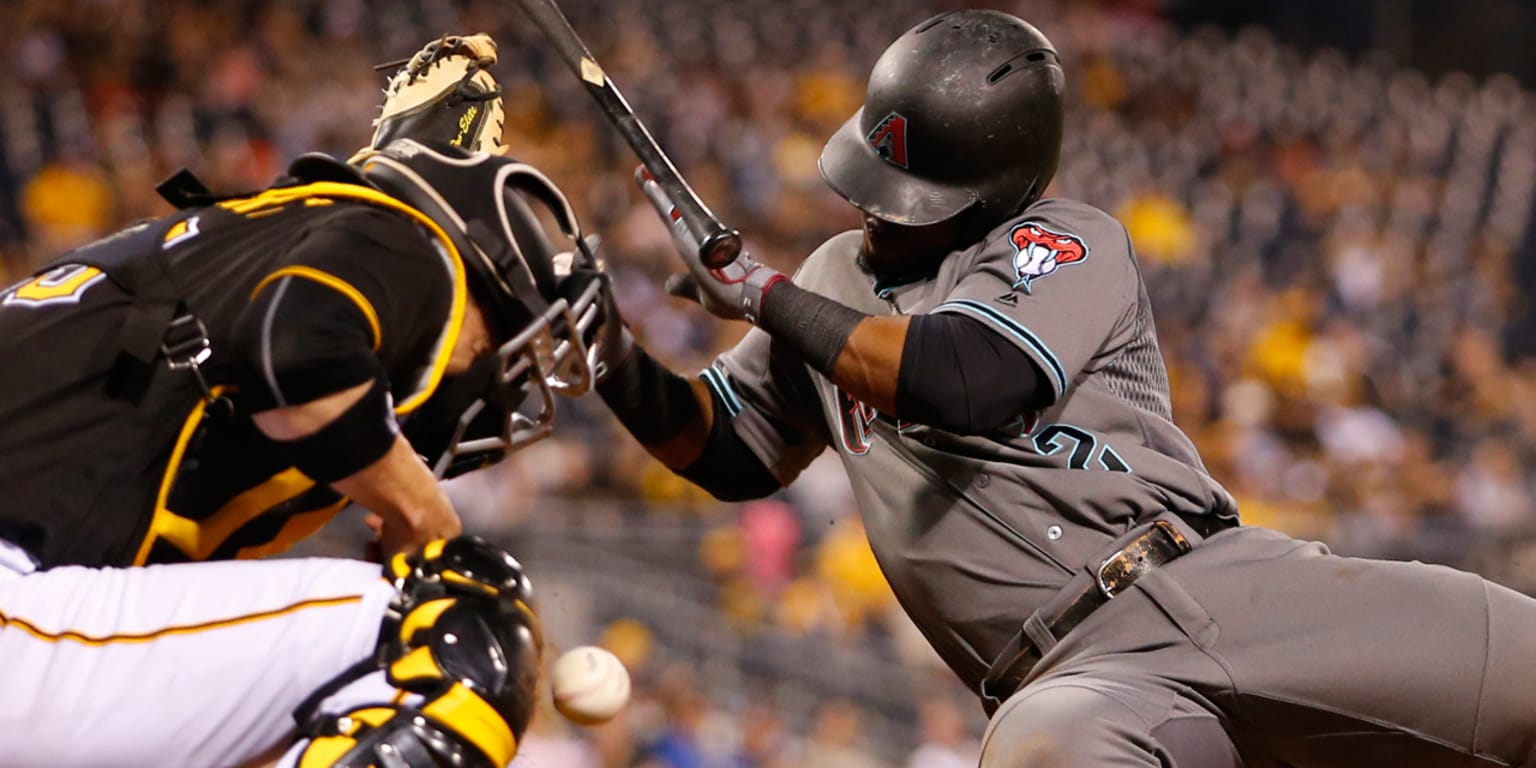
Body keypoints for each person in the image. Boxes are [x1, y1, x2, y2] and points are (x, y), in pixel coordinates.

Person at [581, 10, 1536, 767]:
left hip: (1223, 586)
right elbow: (724, 450)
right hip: (1077, 682)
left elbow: (969, 379)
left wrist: (763, 296)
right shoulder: (826, 287)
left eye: (909, 196)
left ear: (998, 192)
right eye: (873, 181)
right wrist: (607, 347)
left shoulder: (1064, 241)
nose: (875, 209)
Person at [0, 35, 604, 767]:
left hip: (32, 616)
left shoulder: (208, 254)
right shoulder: (408, 249)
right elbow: (294, 349)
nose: (489, 375)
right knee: (452, 624)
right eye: (494, 344)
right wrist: (426, 519)